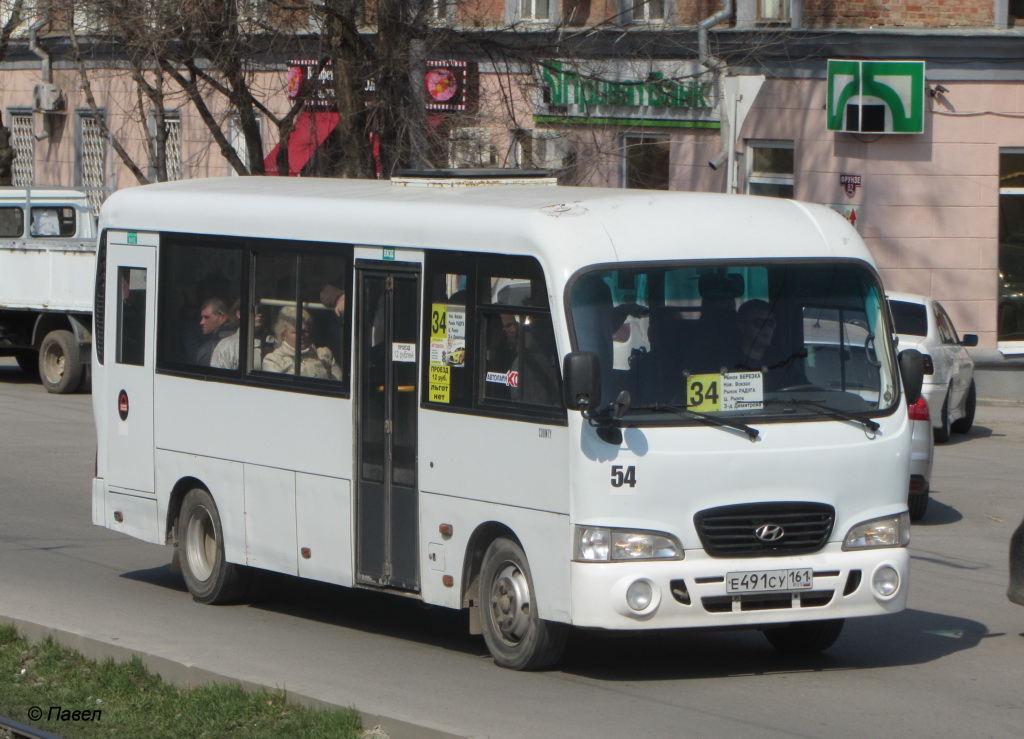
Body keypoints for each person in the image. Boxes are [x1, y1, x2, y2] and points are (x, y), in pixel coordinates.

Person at [262, 306, 343, 380]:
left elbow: (339, 383)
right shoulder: (274, 360)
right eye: (296, 332)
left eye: (305, 331)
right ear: (284, 335)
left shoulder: (324, 355)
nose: (301, 336)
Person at [195, 297, 232, 365]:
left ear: (222, 318)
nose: (201, 322)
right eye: (202, 317)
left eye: (206, 317)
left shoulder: (207, 350)